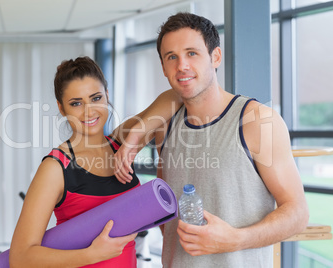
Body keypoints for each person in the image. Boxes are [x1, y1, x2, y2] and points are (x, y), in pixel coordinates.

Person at [114, 12, 309, 267]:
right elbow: (110, 143)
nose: (181, 65)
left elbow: (297, 213)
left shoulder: (258, 122)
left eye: (192, 53)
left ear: (215, 57)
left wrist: (236, 240)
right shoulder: (164, 124)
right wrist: (140, 130)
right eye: (171, 57)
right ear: (163, 67)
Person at [9, 56, 181, 268]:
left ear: (107, 96)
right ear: (62, 108)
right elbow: (19, 258)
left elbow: (175, 95)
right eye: (76, 103)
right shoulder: (55, 168)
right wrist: (92, 254)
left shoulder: (120, 142)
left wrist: (135, 136)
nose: (89, 111)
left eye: (96, 98)